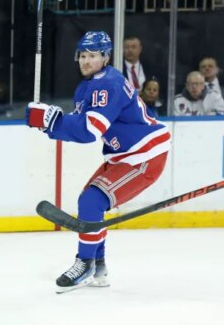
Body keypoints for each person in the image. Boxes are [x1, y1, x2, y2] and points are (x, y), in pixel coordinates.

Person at [26, 31, 171, 293]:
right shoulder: (88, 86)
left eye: (92, 55)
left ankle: (85, 264)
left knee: (92, 201)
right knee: (90, 201)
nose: (86, 60)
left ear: (105, 57)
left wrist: (50, 119)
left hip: (144, 156)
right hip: (124, 156)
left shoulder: (108, 84)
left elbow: (89, 130)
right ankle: (99, 264)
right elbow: (79, 124)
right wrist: (46, 123)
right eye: (82, 55)